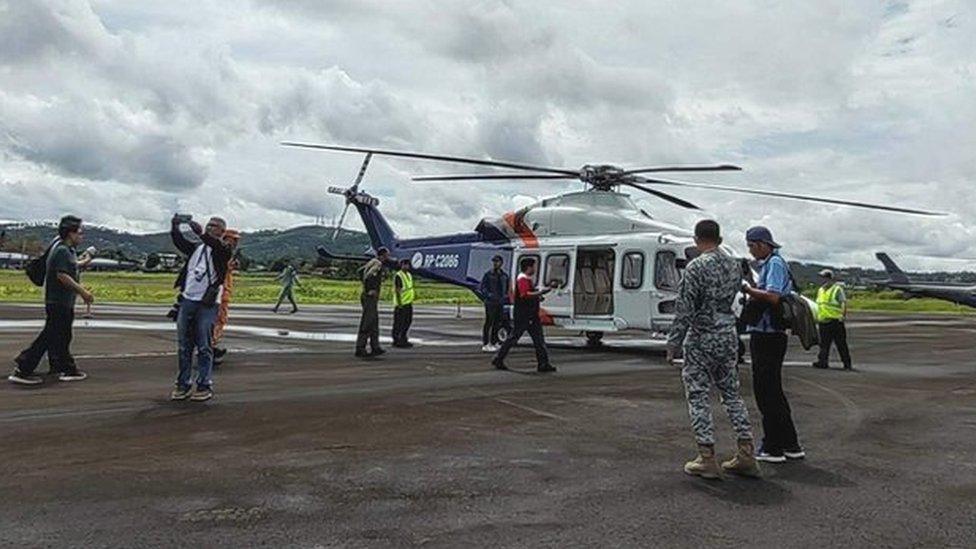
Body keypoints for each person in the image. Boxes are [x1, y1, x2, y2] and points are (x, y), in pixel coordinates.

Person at [667, 220, 761, 479]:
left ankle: (706, 457)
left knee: (698, 396)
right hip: (727, 334)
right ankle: (746, 452)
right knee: (732, 394)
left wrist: (674, 342)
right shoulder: (733, 265)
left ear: (697, 239)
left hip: (701, 337)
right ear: (719, 239)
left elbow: (685, 308)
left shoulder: (696, 266)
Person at [741, 226, 805, 463]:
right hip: (769, 334)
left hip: (768, 334)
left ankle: (773, 447)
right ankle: (790, 443)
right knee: (773, 391)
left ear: (761, 244)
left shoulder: (775, 264)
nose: (751, 250)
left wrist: (748, 290)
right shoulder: (771, 263)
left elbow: (773, 296)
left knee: (766, 391)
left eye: (751, 246)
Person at [9, 216, 93, 385]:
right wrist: (83, 292)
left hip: (62, 302)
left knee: (61, 336)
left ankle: (63, 367)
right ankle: (24, 368)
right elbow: (62, 275)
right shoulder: (62, 250)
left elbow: (72, 266)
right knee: (50, 336)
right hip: (58, 302)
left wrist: (87, 260)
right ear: (70, 233)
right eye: (80, 233)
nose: (82, 236)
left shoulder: (66, 249)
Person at [169, 214, 232, 402]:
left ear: (222, 231)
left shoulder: (223, 249)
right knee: (184, 346)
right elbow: (179, 241)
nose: (210, 228)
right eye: (209, 225)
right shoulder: (196, 248)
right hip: (188, 300)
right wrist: (175, 226)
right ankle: (183, 384)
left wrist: (200, 233)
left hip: (207, 304)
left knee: (204, 346)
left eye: (214, 226)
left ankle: (204, 384)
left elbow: (215, 244)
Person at [491, 258, 556, 373]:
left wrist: (537, 297)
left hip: (529, 315)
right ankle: (499, 358)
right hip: (525, 315)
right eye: (534, 266)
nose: (535, 269)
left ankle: (543, 363)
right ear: (529, 267)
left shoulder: (525, 279)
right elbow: (524, 294)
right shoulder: (522, 279)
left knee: (537, 339)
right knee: (519, 338)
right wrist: (541, 292)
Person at [813, 269, 852, 370]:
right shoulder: (820, 290)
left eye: (825, 277)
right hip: (823, 321)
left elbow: (843, 303)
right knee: (824, 344)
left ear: (830, 278)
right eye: (822, 277)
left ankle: (847, 363)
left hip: (835, 321)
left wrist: (842, 316)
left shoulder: (837, 289)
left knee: (841, 344)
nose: (823, 280)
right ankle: (822, 362)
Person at [212, 229, 241, 365]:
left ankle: (211, 346)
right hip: (220, 293)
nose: (236, 242)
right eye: (233, 239)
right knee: (219, 320)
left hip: (224, 292)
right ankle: (211, 347)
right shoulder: (222, 253)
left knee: (219, 320)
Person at [355, 247, 389, 359]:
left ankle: (375, 346)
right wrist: (370, 289)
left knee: (374, 322)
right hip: (369, 297)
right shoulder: (377, 264)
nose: (388, 257)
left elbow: (360, 271)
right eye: (387, 255)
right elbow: (370, 276)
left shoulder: (371, 262)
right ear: (382, 255)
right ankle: (360, 348)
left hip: (369, 297)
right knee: (367, 322)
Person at [479, 255, 510, 352]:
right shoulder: (488, 275)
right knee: (489, 322)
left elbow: (507, 287)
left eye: (497, 261)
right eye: (494, 262)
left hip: (500, 302)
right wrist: (489, 295)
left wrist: (505, 296)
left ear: (501, 263)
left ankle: (494, 341)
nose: (495, 263)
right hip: (490, 302)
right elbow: (483, 288)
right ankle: (486, 343)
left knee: (497, 322)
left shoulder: (504, 275)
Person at [391, 258, 415, 348]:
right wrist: (399, 303)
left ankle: (403, 339)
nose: (406, 266)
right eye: (404, 264)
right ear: (401, 266)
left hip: (408, 302)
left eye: (407, 264)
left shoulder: (409, 275)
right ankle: (397, 340)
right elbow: (398, 290)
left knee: (407, 322)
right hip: (401, 304)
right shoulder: (399, 275)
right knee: (399, 323)